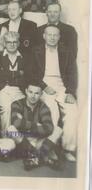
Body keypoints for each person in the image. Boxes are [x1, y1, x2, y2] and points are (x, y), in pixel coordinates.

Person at [29, 25, 77, 162]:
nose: (52, 37)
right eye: (49, 34)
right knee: (52, 111)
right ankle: (51, 148)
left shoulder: (66, 52)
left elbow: (73, 74)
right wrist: (44, 87)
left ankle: (68, 149)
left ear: (59, 37)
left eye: (55, 35)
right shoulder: (35, 51)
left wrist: (71, 92)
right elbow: (31, 74)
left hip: (63, 88)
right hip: (44, 86)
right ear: (44, 36)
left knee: (73, 111)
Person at [7, 81, 63, 170]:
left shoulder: (43, 107)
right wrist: (37, 125)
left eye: (37, 93)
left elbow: (49, 128)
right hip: (23, 139)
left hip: (38, 140)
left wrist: (25, 123)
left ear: (41, 94)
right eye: (30, 92)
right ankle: (43, 156)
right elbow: (16, 122)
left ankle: (35, 157)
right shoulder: (17, 104)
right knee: (11, 129)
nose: (33, 96)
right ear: (26, 91)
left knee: (58, 130)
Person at [0, 31, 29, 130]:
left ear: (18, 43)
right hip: (0, 90)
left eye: (14, 42)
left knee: (25, 107)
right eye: (9, 42)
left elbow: (26, 78)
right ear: (5, 44)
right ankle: (6, 139)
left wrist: (8, 75)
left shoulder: (25, 58)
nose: (12, 45)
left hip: (18, 90)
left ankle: (21, 140)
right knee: (7, 107)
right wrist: (18, 73)